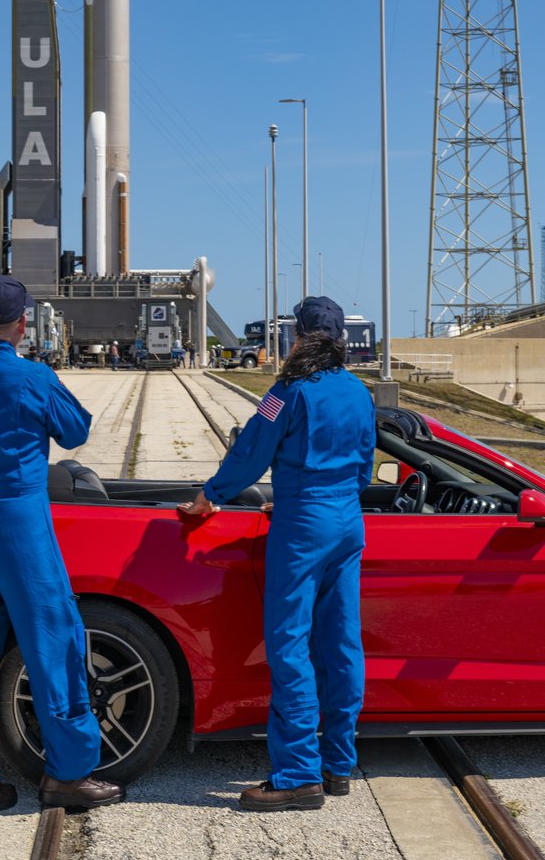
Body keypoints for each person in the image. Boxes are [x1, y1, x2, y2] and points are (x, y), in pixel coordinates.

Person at [0, 275, 124, 820]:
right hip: (15, 521)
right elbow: (76, 431)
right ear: (23, 324)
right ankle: (69, 771)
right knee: (52, 639)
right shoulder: (31, 376)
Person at [179, 296, 375, 812]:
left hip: (304, 522)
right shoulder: (360, 392)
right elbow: (365, 465)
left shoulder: (285, 393)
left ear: (298, 337)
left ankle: (295, 775)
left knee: (290, 644)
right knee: (341, 643)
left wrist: (211, 495)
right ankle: (337, 763)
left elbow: (252, 452)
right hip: (348, 521)